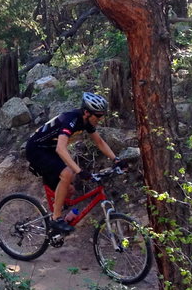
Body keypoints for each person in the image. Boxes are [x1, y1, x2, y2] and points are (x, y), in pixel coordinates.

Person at [25, 92, 127, 234]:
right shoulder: (71, 119)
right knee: (68, 173)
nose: (101, 118)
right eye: (98, 115)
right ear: (86, 112)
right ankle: (55, 219)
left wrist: (116, 159)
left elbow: (99, 142)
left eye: (102, 115)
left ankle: (56, 218)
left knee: (70, 189)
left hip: (50, 150)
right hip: (36, 149)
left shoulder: (87, 121)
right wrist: (79, 171)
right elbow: (61, 148)